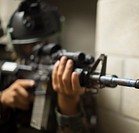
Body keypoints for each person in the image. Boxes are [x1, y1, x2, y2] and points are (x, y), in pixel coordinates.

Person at [0, 0, 96, 133]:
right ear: (16, 47)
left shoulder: (72, 75)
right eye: (28, 46)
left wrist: (69, 105)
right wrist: (2, 100)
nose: (38, 50)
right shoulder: (7, 72)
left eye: (46, 43)